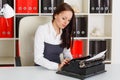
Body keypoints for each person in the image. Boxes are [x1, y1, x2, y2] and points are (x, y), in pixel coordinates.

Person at [34, 3, 76, 70]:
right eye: (63, 18)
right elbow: (38, 58)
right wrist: (58, 66)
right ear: (56, 15)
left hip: (58, 70)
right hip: (41, 69)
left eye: (68, 20)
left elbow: (67, 53)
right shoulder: (42, 30)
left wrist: (70, 62)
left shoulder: (65, 32)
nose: (66, 23)